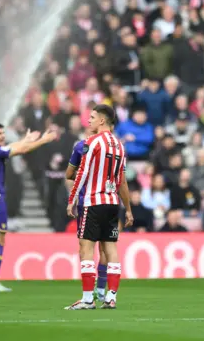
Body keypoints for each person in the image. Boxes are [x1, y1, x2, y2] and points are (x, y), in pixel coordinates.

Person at [65, 104, 134, 310]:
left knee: (86, 248)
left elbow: (83, 172)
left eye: (93, 117)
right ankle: (111, 297)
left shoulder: (92, 142)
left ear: (102, 120)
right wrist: (128, 208)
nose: (89, 120)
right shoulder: (120, 146)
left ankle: (87, 299)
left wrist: (72, 198)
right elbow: (121, 180)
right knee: (110, 249)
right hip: (113, 203)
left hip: (93, 201)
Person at [0, 123, 56, 292]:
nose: (2, 136)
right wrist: (43, 140)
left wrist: (25, 139)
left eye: (3, 133)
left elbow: (12, 147)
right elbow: (20, 150)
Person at [66, 126, 119, 302]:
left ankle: (93, 296)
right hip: (102, 201)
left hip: (93, 201)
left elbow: (71, 174)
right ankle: (103, 294)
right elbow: (121, 180)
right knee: (103, 248)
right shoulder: (115, 146)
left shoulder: (93, 146)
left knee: (92, 248)